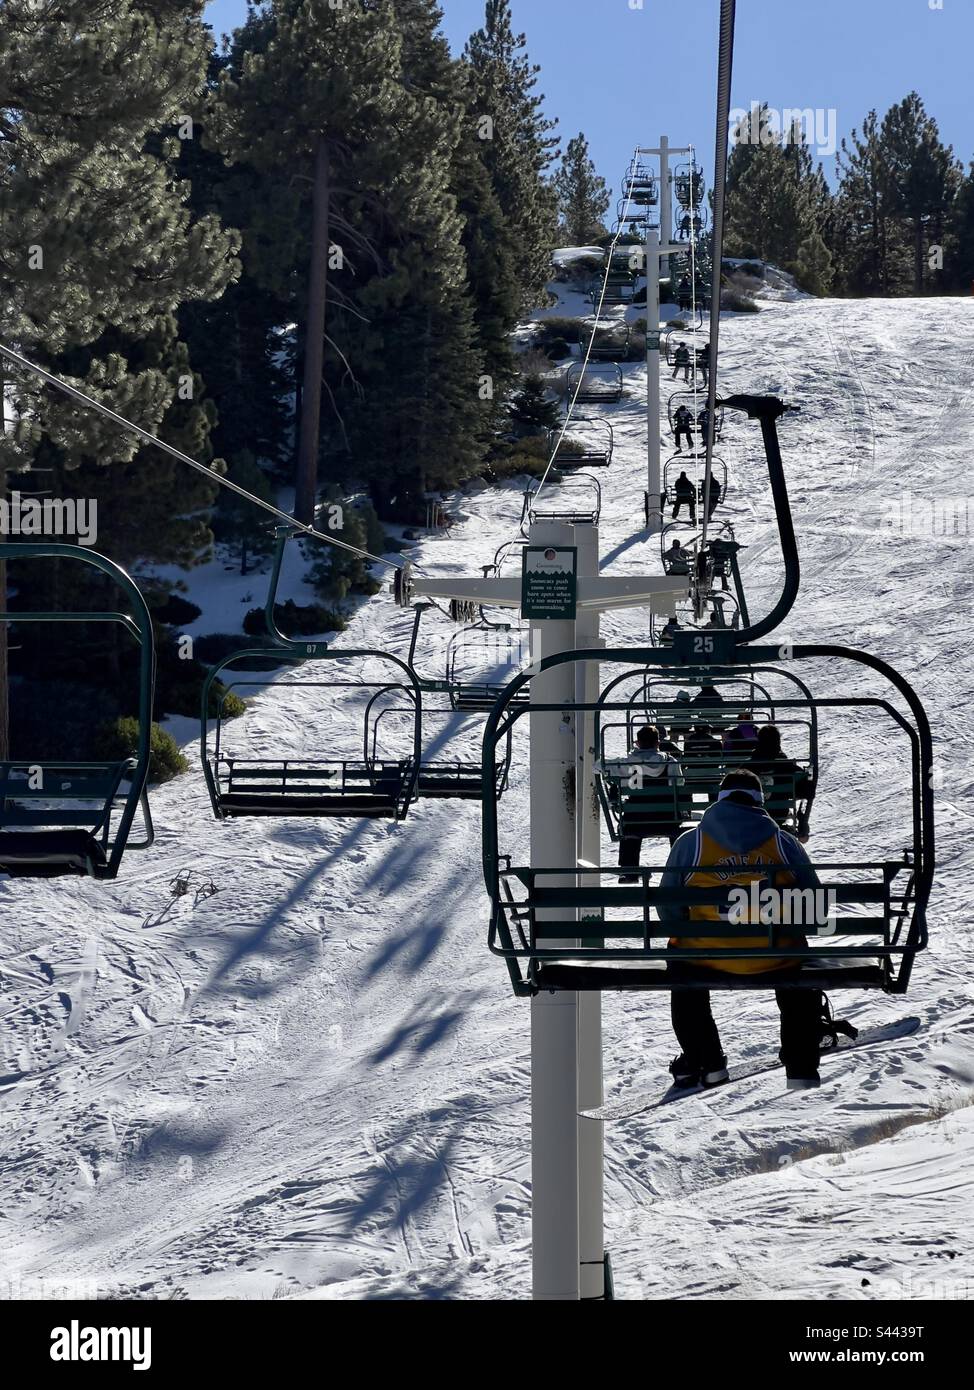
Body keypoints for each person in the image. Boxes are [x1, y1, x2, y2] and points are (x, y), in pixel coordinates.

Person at [657, 768, 827, 1089]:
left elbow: (669, 907)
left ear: (719, 800)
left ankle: (706, 1060)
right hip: (776, 957)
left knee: (681, 965)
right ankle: (800, 1061)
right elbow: (815, 907)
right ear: (759, 802)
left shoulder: (691, 843)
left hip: (706, 957)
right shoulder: (782, 842)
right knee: (798, 956)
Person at [600, 725, 684, 882]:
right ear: (657, 743)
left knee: (628, 828)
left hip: (636, 820)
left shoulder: (628, 764)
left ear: (638, 743)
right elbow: (679, 784)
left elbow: (599, 766)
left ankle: (629, 870)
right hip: (667, 819)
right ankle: (678, 869)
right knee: (676, 823)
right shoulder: (670, 762)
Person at [748, 725, 813, 832]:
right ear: (778, 743)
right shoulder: (787, 767)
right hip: (778, 815)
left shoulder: (747, 767)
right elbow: (806, 791)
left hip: (753, 817)